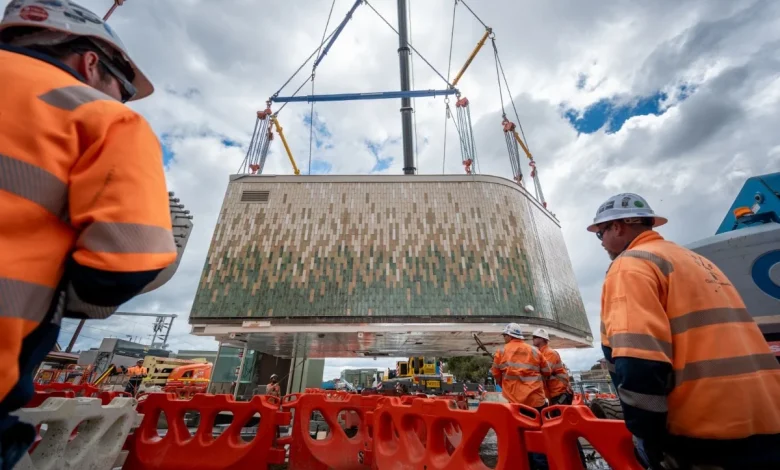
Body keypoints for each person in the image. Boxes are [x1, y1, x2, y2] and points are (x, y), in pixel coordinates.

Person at [0, 1, 176, 466]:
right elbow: (127, 263)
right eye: (121, 87)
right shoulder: (100, 116)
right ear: (90, 62)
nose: (119, 99)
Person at [590, 192, 780, 469]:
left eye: (601, 233)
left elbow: (640, 358)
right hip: (767, 418)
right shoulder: (698, 261)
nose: (602, 242)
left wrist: (649, 437)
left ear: (618, 226)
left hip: (707, 430)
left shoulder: (630, 266)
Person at [491, 323, 551, 470]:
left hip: (515, 403)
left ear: (510, 335)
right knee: (537, 436)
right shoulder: (534, 351)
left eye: (505, 335)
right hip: (536, 401)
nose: (504, 338)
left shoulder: (501, 351)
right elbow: (547, 371)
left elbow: (495, 374)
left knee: (519, 437)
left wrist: (506, 384)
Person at [531, 328, 574, 405]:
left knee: (560, 416)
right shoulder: (541, 353)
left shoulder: (550, 353)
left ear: (542, 339)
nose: (532, 339)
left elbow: (546, 371)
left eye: (535, 337)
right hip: (553, 392)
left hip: (559, 392)